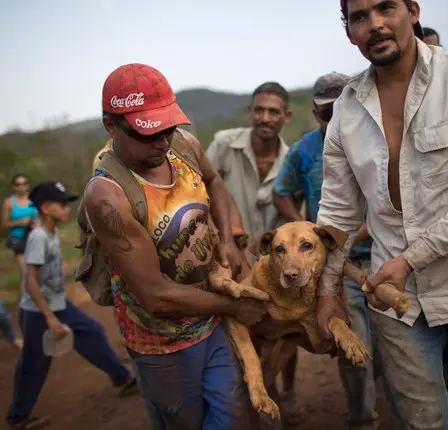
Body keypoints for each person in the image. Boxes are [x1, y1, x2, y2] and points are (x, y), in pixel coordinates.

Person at [315, 1, 448, 429]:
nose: (376, 25)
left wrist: (410, 261)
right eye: (360, 17)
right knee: (421, 423)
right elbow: (337, 212)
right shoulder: (346, 111)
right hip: (394, 303)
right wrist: (328, 291)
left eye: (386, 8)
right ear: (349, 31)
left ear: (413, 11)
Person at [84, 63, 267, 430]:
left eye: (167, 129)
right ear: (111, 126)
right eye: (147, 134)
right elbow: (155, 296)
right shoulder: (108, 196)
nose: (162, 142)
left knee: (232, 415)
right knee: (184, 421)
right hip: (161, 341)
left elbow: (214, 181)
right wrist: (235, 305)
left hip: (212, 318)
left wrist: (228, 238)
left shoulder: (184, 146)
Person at [273, 72, 377, 430]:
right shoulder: (304, 151)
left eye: (341, 110)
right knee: (349, 340)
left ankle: (402, 409)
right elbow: (282, 191)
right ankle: (363, 417)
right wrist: (303, 229)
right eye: (326, 114)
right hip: (336, 263)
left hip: (387, 255)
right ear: (316, 114)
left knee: (401, 341)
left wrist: (363, 232)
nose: (334, 120)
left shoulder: (380, 137)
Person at [6, 181, 137, 430]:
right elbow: (30, 283)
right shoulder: (38, 238)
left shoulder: (51, 232)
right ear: (46, 207)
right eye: (61, 203)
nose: (67, 208)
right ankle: (17, 418)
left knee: (91, 332)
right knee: (35, 363)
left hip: (57, 304)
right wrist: (50, 318)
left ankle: (122, 379)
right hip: (38, 311)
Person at [206, 82, 292, 258]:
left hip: (270, 262)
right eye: (259, 110)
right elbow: (200, 189)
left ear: (287, 116)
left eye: (274, 112)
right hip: (223, 253)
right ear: (249, 111)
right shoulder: (225, 144)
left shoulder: (291, 160)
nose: (265, 118)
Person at [2, 174, 38, 293]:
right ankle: (26, 303)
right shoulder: (9, 202)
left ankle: (40, 301)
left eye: (24, 184)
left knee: (36, 273)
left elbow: (41, 219)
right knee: (26, 273)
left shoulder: (34, 200)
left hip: (34, 239)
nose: (21, 187)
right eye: (18, 184)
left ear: (28, 185)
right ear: (14, 187)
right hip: (18, 241)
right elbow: (4, 224)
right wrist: (19, 222)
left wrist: (34, 223)